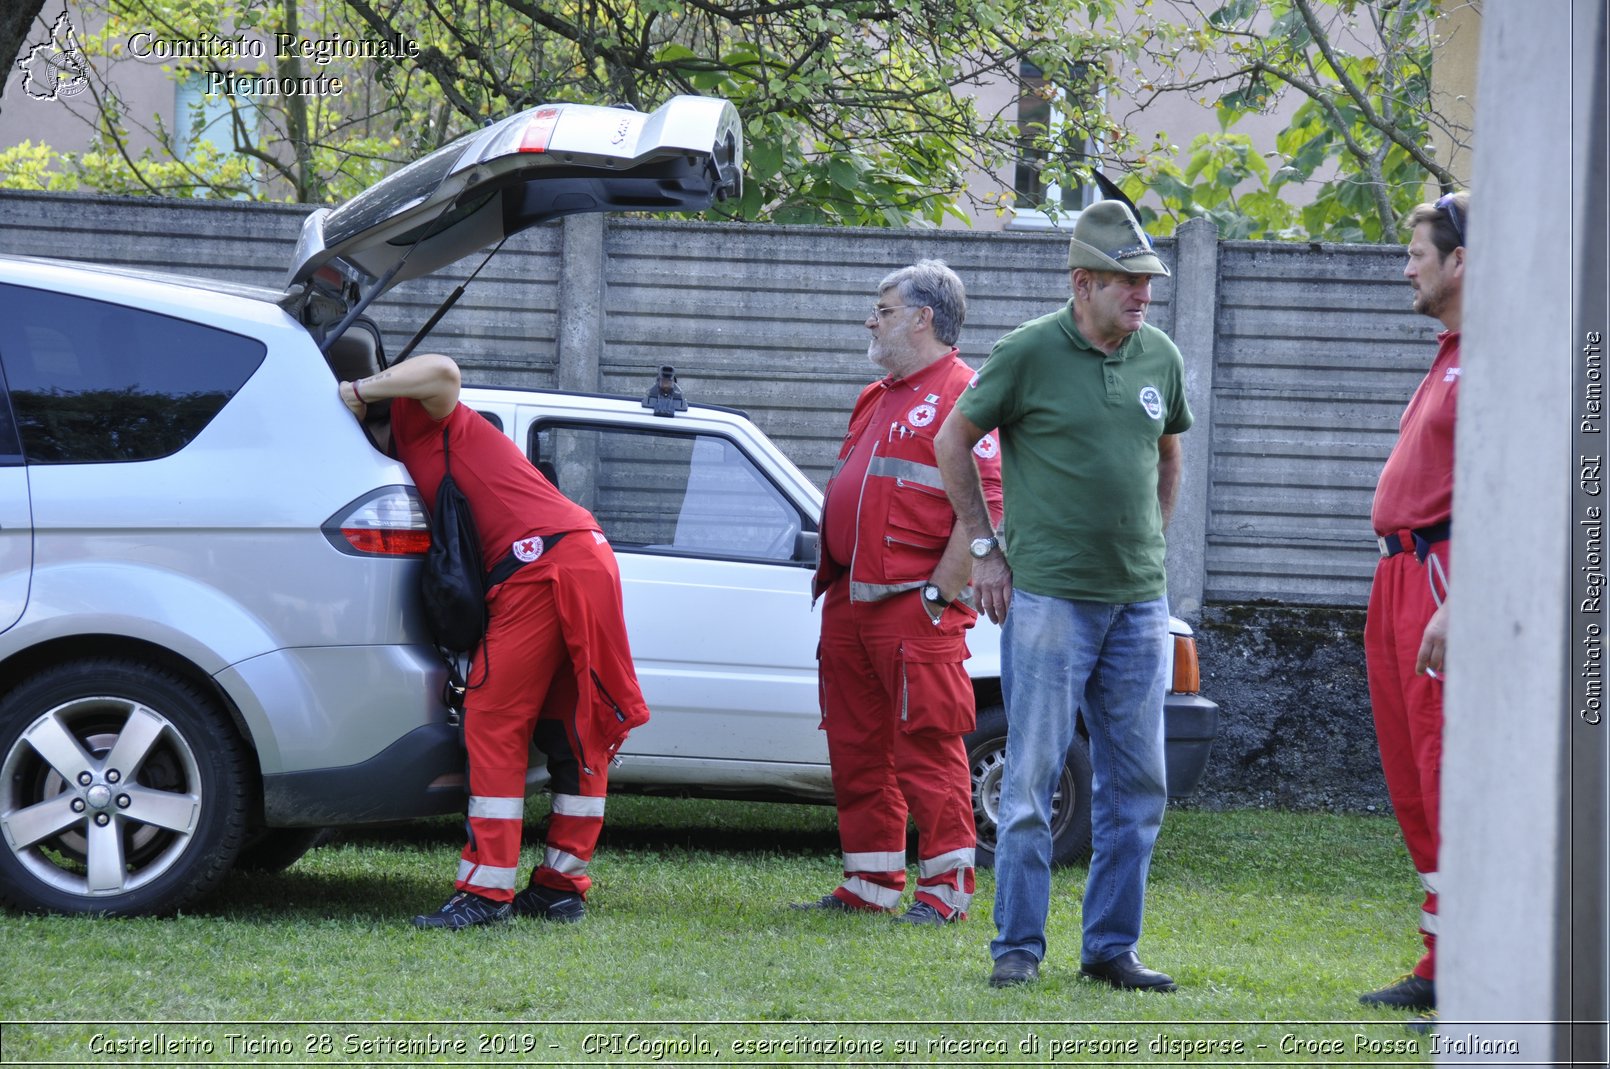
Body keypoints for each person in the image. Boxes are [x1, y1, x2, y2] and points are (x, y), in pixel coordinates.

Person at [935, 200, 1192, 991]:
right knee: (1032, 776)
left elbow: (1169, 461)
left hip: (1139, 607)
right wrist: (985, 550)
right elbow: (951, 438)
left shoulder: (1160, 356)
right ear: (1083, 283)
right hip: (1049, 602)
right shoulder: (1028, 353)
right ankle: (1017, 946)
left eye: (1148, 281)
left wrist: (1147, 546)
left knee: (1137, 783)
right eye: (1128, 281)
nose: (1143, 294)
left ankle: (1110, 948)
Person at [338, 354, 650, 930]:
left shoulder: (419, 416)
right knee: (572, 726)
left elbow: (442, 371)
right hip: (577, 555)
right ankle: (560, 887)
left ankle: (485, 893)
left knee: (493, 719)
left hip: (542, 563)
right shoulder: (408, 445)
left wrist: (354, 390)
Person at [794, 260, 1004, 925]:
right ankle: (871, 882)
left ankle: (945, 893)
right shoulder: (875, 394)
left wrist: (940, 595)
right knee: (856, 747)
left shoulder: (968, 393)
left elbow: (989, 505)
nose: (870, 320)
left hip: (915, 610)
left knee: (930, 752)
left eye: (882, 310)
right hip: (851, 604)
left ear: (923, 318)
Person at [1359, 191, 1467, 1015]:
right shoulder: (1448, 352)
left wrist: (1458, 598)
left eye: (1418, 252)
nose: (1407, 267)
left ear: (1461, 261)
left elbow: (1509, 491)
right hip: (1398, 577)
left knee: (1442, 767)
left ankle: (1462, 959)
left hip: (1439, 576)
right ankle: (1440, 956)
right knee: (1407, 772)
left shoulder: (1495, 359)